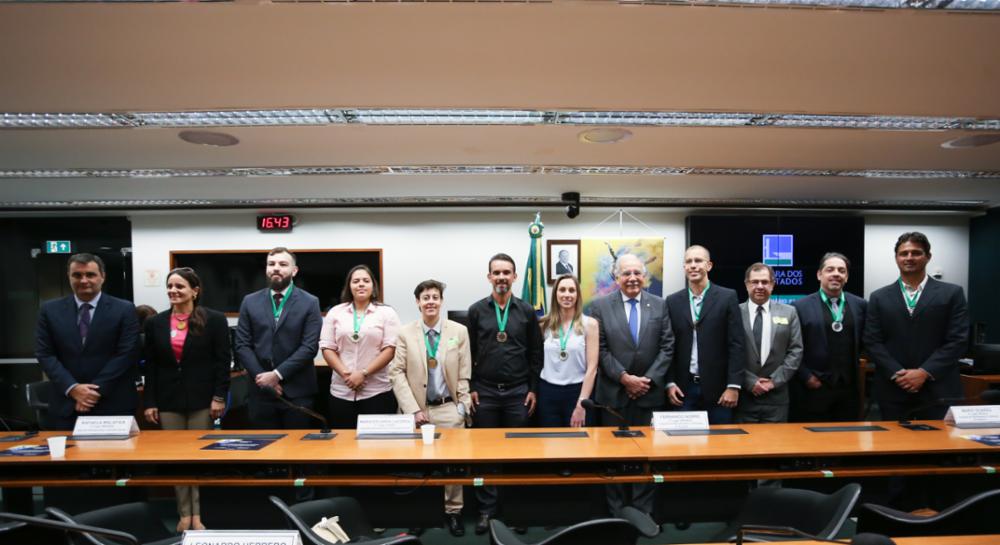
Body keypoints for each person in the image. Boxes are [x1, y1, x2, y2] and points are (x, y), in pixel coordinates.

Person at [142, 267, 230, 532]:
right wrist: (150, 402)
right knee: (177, 459)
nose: (173, 291)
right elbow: (151, 367)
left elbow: (222, 362)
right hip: (168, 401)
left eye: (179, 286)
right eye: (170, 286)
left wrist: (219, 396)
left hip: (203, 399)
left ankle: (198, 514)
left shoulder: (213, 319)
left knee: (199, 457)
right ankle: (184, 515)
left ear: (195, 290)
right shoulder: (155, 323)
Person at [589, 253, 674, 517]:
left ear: (645, 276)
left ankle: (642, 513)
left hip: (649, 395)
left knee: (646, 456)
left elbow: (668, 346)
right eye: (626, 273)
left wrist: (647, 380)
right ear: (616, 277)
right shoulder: (599, 306)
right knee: (612, 456)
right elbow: (599, 349)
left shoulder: (660, 305)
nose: (633, 278)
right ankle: (615, 514)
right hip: (613, 395)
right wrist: (624, 378)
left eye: (638, 272)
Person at [466, 253, 543, 534]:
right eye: (496, 272)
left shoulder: (525, 311)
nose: (501, 277)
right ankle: (486, 510)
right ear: (489, 277)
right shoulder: (476, 311)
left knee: (517, 453)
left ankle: (515, 511)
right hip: (484, 391)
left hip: (517, 393)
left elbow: (536, 354)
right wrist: (471, 387)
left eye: (506, 272)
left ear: (514, 277)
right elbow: (468, 353)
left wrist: (533, 389)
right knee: (486, 454)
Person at [388, 280, 472, 537]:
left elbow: (464, 372)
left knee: (453, 463)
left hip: (447, 407)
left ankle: (453, 511)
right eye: (426, 297)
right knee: (417, 464)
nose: (431, 301)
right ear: (418, 302)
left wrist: (463, 404)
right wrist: (412, 409)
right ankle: (420, 512)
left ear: (441, 301)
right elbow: (396, 372)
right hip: (418, 409)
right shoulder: (405, 333)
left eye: (435, 297)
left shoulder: (458, 331)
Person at [864, 232, 969, 421]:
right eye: (904, 253)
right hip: (893, 390)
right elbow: (872, 342)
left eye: (916, 253)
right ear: (896, 258)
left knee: (939, 448)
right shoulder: (878, 297)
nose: (909, 258)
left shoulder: (952, 293)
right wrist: (898, 374)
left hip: (938, 390)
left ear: (928, 256)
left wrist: (924, 373)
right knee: (893, 448)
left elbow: (958, 340)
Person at [35, 253, 141, 430]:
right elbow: (44, 353)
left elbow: (127, 353)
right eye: (77, 275)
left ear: (102, 276)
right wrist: (73, 388)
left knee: (116, 457)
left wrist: (92, 393)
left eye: (90, 274)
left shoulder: (124, 309)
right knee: (65, 457)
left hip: (113, 403)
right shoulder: (49, 310)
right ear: (69, 277)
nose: (84, 280)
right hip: (66, 404)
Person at [235, 247, 322, 429]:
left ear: (294, 270)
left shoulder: (310, 302)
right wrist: (264, 380)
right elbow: (242, 344)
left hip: (297, 392)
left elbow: (309, 347)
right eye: (271, 264)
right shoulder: (249, 301)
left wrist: (276, 375)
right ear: (266, 269)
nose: (276, 268)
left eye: (283, 264)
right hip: (260, 393)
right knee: (263, 452)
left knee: (295, 452)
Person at [665, 245, 745, 424]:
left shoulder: (727, 297)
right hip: (683, 389)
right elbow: (668, 346)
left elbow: (736, 344)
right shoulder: (672, 301)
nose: (693, 265)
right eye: (688, 262)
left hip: (720, 390)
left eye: (698, 261)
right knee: (683, 445)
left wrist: (733, 386)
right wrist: (669, 383)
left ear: (709, 266)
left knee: (721, 445)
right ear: (684, 267)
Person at [321, 265, 400, 429]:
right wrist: (347, 375)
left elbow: (390, 348)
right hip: (341, 391)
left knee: (377, 448)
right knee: (343, 446)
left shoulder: (387, 313)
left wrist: (363, 373)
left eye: (366, 280)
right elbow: (327, 348)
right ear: (349, 286)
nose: (361, 284)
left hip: (377, 391)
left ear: (373, 285)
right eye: (356, 281)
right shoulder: (336, 312)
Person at [791, 253, 867, 422]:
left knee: (848, 440)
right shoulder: (799, 306)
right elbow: (791, 347)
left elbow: (866, 342)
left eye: (841, 271)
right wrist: (806, 377)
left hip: (849, 388)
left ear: (846, 277)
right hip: (813, 387)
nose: (836, 274)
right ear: (819, 275)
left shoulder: (860, 305)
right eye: (830, 269)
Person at [735, 263, 802, 424]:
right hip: (743, 395)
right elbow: (727, 352)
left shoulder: (789, 312)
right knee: (743, 447)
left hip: (777, 397)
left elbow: (796, 351)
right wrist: (750, 382)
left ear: (772, 284)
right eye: (755, 282)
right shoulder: (734, 312)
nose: (760, 286)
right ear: (746, 284)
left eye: (765, 282)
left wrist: (773, 382)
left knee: (776, 446)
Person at [537, 274, 598, 427]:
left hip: (577, 392)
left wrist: (581, 404)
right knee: (550, 446)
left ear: (577, 295)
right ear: (555, 294)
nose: (567, 294)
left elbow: (592, 368)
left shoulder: (589, 324)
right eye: (562, 290)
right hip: (548, 393)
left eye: (571, 290)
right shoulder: (543, 324)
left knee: (578, 446)